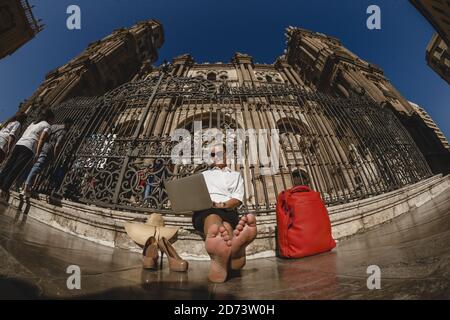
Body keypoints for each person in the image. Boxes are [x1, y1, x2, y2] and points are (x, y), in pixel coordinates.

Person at [192, 143, 257, 283]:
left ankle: (224, 256)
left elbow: (238, 199)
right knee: (215, 220)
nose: (217, 157)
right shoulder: (204, 175)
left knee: (226, 226)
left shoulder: (236, 176)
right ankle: (234, 253)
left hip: (227, 210)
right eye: (213, 154)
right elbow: (195, 196)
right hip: (206, 210)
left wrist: (223, 204)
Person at [0, 109, 55, 201]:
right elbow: (41, 139)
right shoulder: (47, 126)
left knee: (8, 166)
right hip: (29, 148)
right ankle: (3, 190)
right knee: (16, 169)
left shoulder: (33, 123)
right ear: (49, 118)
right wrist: (37, 152)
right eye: (53, 119)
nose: (53, 121)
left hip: (19, 144)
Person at [19, 118, 73, 197]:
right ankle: (27, 187)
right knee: (38, 167)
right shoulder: (63, 132)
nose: (70, 127)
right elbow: (57, 145)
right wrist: (55, 156)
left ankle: (23, 184)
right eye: (70, 125)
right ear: (68, 124)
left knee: (33, 165)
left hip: (41, 146)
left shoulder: (53, 126)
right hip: (48, 149)